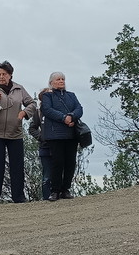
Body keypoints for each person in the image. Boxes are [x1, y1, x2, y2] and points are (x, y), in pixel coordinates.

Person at [0, 60, 36, 203]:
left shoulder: (19, 89)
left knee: (17, 166)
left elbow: (32, 103)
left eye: (4, 74)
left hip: (15, 133)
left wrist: (24, 113)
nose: (1, 76)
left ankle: (19, 196)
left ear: (10, 75)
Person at [41, 72, 83, 201]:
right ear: (51, 82)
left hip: (71, 133)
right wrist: (63, 118)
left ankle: (66, 189)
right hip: (55, 134)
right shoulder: (47, 96)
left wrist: (72, 116)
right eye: (58, 79)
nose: (61, 81)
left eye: (63, 79)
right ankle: (55, 190)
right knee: (57, 162)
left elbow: (79, 108)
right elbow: (47, 110)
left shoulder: (72, 95)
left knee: (70, 162)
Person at [28, 88, 52, 200]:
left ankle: (61, 195)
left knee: (61, 172)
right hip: (45, 147)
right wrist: (40, 137)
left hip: (60, 146)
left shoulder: (60, 110)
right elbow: (32, 128)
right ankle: (46, 197)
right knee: (47, 174)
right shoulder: (38, 112)